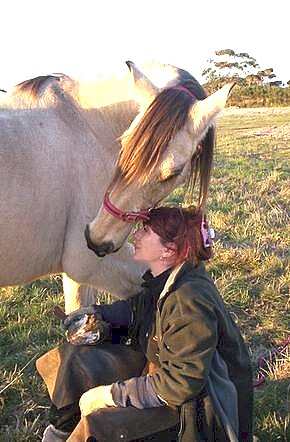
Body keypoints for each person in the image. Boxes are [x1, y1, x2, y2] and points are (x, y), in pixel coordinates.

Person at [37, 207, 253, 442]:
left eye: (146, 231)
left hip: (201, 414)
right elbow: (138, 310)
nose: (136, 236)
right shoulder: (169, 278)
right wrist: (96, 314)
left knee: (101, 425)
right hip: (165, 372)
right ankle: (61, 431)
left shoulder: (187, 302)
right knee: (76, 356)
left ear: (168, 251)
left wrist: (111, 395)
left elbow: (180, 385)